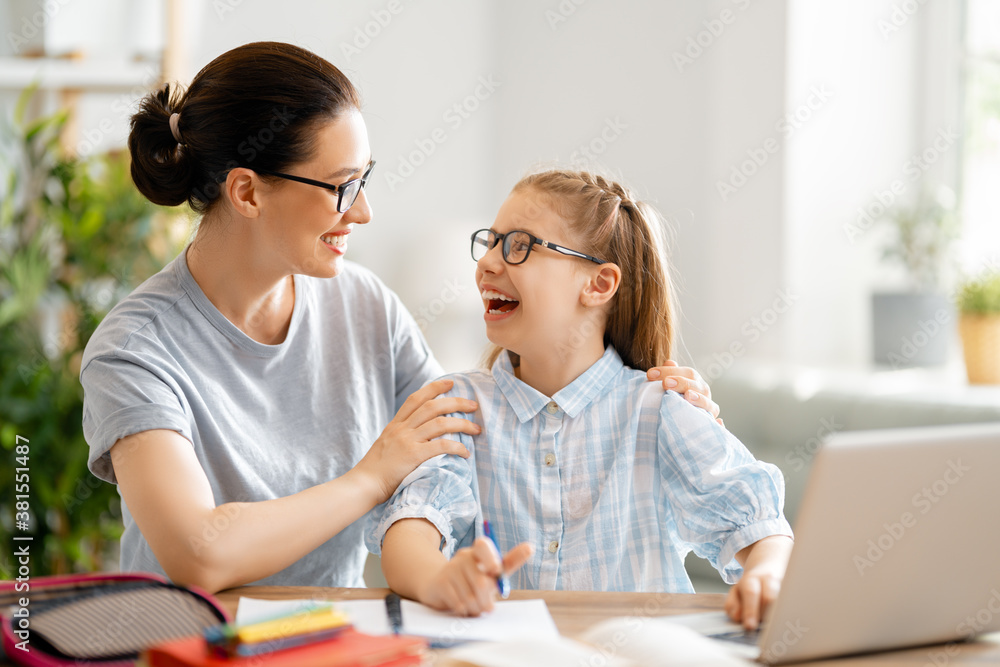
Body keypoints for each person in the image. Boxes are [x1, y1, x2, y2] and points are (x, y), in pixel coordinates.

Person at [80, 42, 718, 594]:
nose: (363, 213)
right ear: (247, 191)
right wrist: (370, 477)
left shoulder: (365, 307)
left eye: (366, 180)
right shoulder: (136, 349)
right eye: (341, 186)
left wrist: (650, 414)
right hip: (191, 643)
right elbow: (198, 553)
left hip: (334, 637)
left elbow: (471, 438)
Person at [368, 170, 794, 631]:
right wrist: (438, 579)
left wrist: (766, 577)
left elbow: (758, 528)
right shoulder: (460, 406)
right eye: (490, 243)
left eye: (518, 246)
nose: (488, 263)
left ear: (599, 284)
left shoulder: (660, 409)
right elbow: (412, 527)